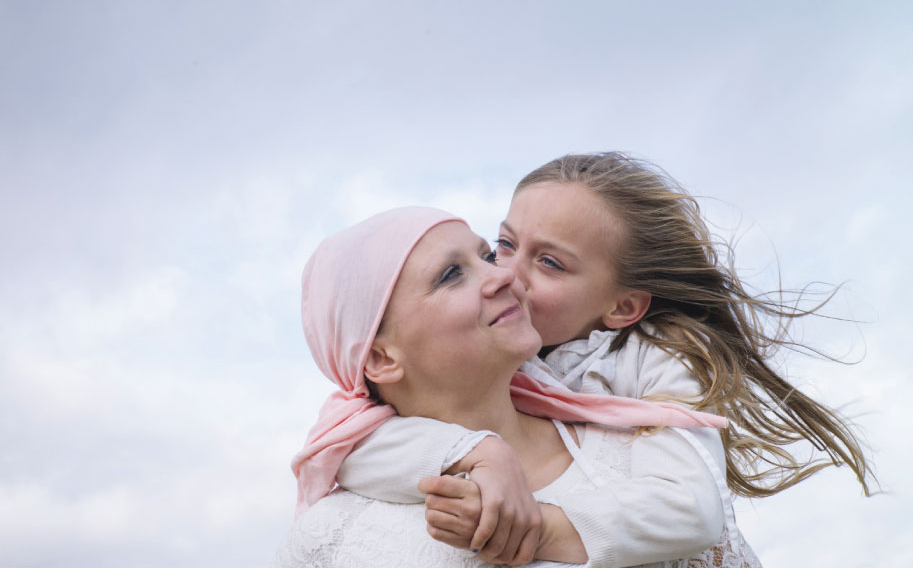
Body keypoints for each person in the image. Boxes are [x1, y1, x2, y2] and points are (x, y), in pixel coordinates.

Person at [337, 153, 874, 566]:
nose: (507, 275)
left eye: (549, 263)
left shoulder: (657, 356)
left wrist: (542, 529)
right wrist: (478, 453)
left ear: (622, 307)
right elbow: (349, 443)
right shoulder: (493, 354)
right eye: (503, 244)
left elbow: (688, 508)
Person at [273, 206, 747, 568]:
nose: (504, 274)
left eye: (485, 254)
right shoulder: (332, 536)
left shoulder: (643, 452)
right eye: (451, 274)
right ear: (379, 357)